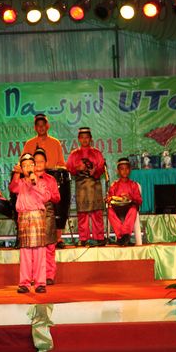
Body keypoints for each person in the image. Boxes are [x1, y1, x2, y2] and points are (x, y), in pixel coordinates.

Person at [22, 113, 67, 248]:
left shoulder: (55, 143)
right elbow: (23, 162)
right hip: (34, 180)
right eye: (38, 125)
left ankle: (57, 238)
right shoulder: (29, 143)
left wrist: (58, 168)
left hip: (51, 179)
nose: (41, 127)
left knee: (56, 207)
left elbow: (61, 163)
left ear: (48, 126)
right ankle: (31, 237)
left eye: (43, 125)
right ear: (35, 128)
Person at [9, 153, 52, 294]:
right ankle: (25, 283)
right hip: (24, 217)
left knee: (40, 252)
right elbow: (12, 188)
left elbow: (46, 197)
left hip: (37, 217)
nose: (27, 167)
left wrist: (34, 183)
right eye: (24, 165)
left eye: (30, 165)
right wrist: (16, 174)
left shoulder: (41, 182)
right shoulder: (20, 182)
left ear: (34, 166)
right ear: (21, 168)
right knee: (25, 253)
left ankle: (40, 283)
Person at [66, 127, 106, 247]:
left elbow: (101, 167)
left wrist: (96, 171)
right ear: (79, 139)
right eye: (82, 137)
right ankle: (83, 238)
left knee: (96, 213)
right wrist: (77, 168)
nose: (84, 140)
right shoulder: (74, 154)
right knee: (82, 214)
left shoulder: (96, 153)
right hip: (81, 186)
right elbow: (69, 168)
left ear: (91, 139)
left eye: (87, 137)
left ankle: (99, 237)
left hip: (94, 185)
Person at [33, 147, 61, 285]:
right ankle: (36, 276)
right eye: (36, 161)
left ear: (46, 163)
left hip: (47, 214)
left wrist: (48, 194)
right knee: (35, 247)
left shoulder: (50, 179)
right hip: (33, 215)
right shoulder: (28, 178)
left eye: (41, 161)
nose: (38, 164)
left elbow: (57, 198)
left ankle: (49, 275)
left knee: (49, 247)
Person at [106, 157, 142, 246]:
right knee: (110, 211)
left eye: (126, 169)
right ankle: (124, 237)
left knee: (133, 209)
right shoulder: (114, 185)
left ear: (130, 170)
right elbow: (110, 198)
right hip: (117, 209)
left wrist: (131, 197)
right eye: (122, 169)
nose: (124, 171)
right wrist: (109, 199)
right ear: (118, 171)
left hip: (129, 209)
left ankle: (122, 237)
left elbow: (139, 201)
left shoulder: (134, 185)